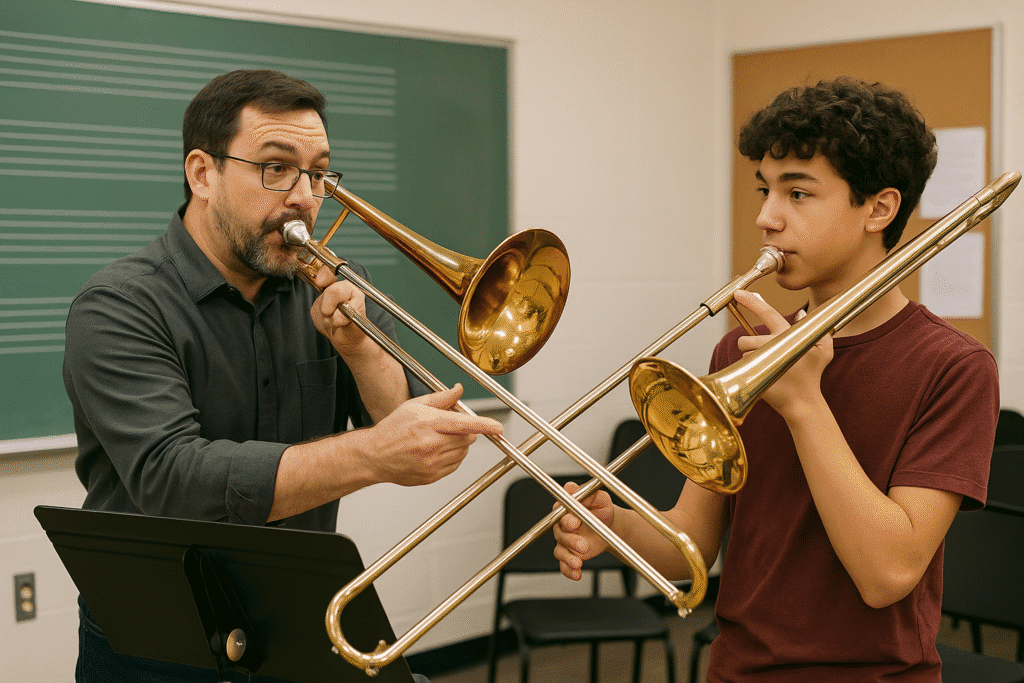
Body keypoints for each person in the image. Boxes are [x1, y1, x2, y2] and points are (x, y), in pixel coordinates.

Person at [553, 77, 999, 682]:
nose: (766, 217)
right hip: (735, 672)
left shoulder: (954, 368)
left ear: (879, 208)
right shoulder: (738, 351)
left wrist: (804, 404)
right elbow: (693, 543)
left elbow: (887, 576)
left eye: (798, 193)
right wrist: (619, 526)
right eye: (766, 190)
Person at [63, 69, 502, 682]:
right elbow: (174, 480)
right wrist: (371, 456)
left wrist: (361, 351)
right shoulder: (118, 305)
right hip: (156, 639)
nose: (304, 197)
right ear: (202, 174)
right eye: (276, 168)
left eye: (318, 173)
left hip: (292, 622)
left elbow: (406, 425)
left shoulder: (334, 286)